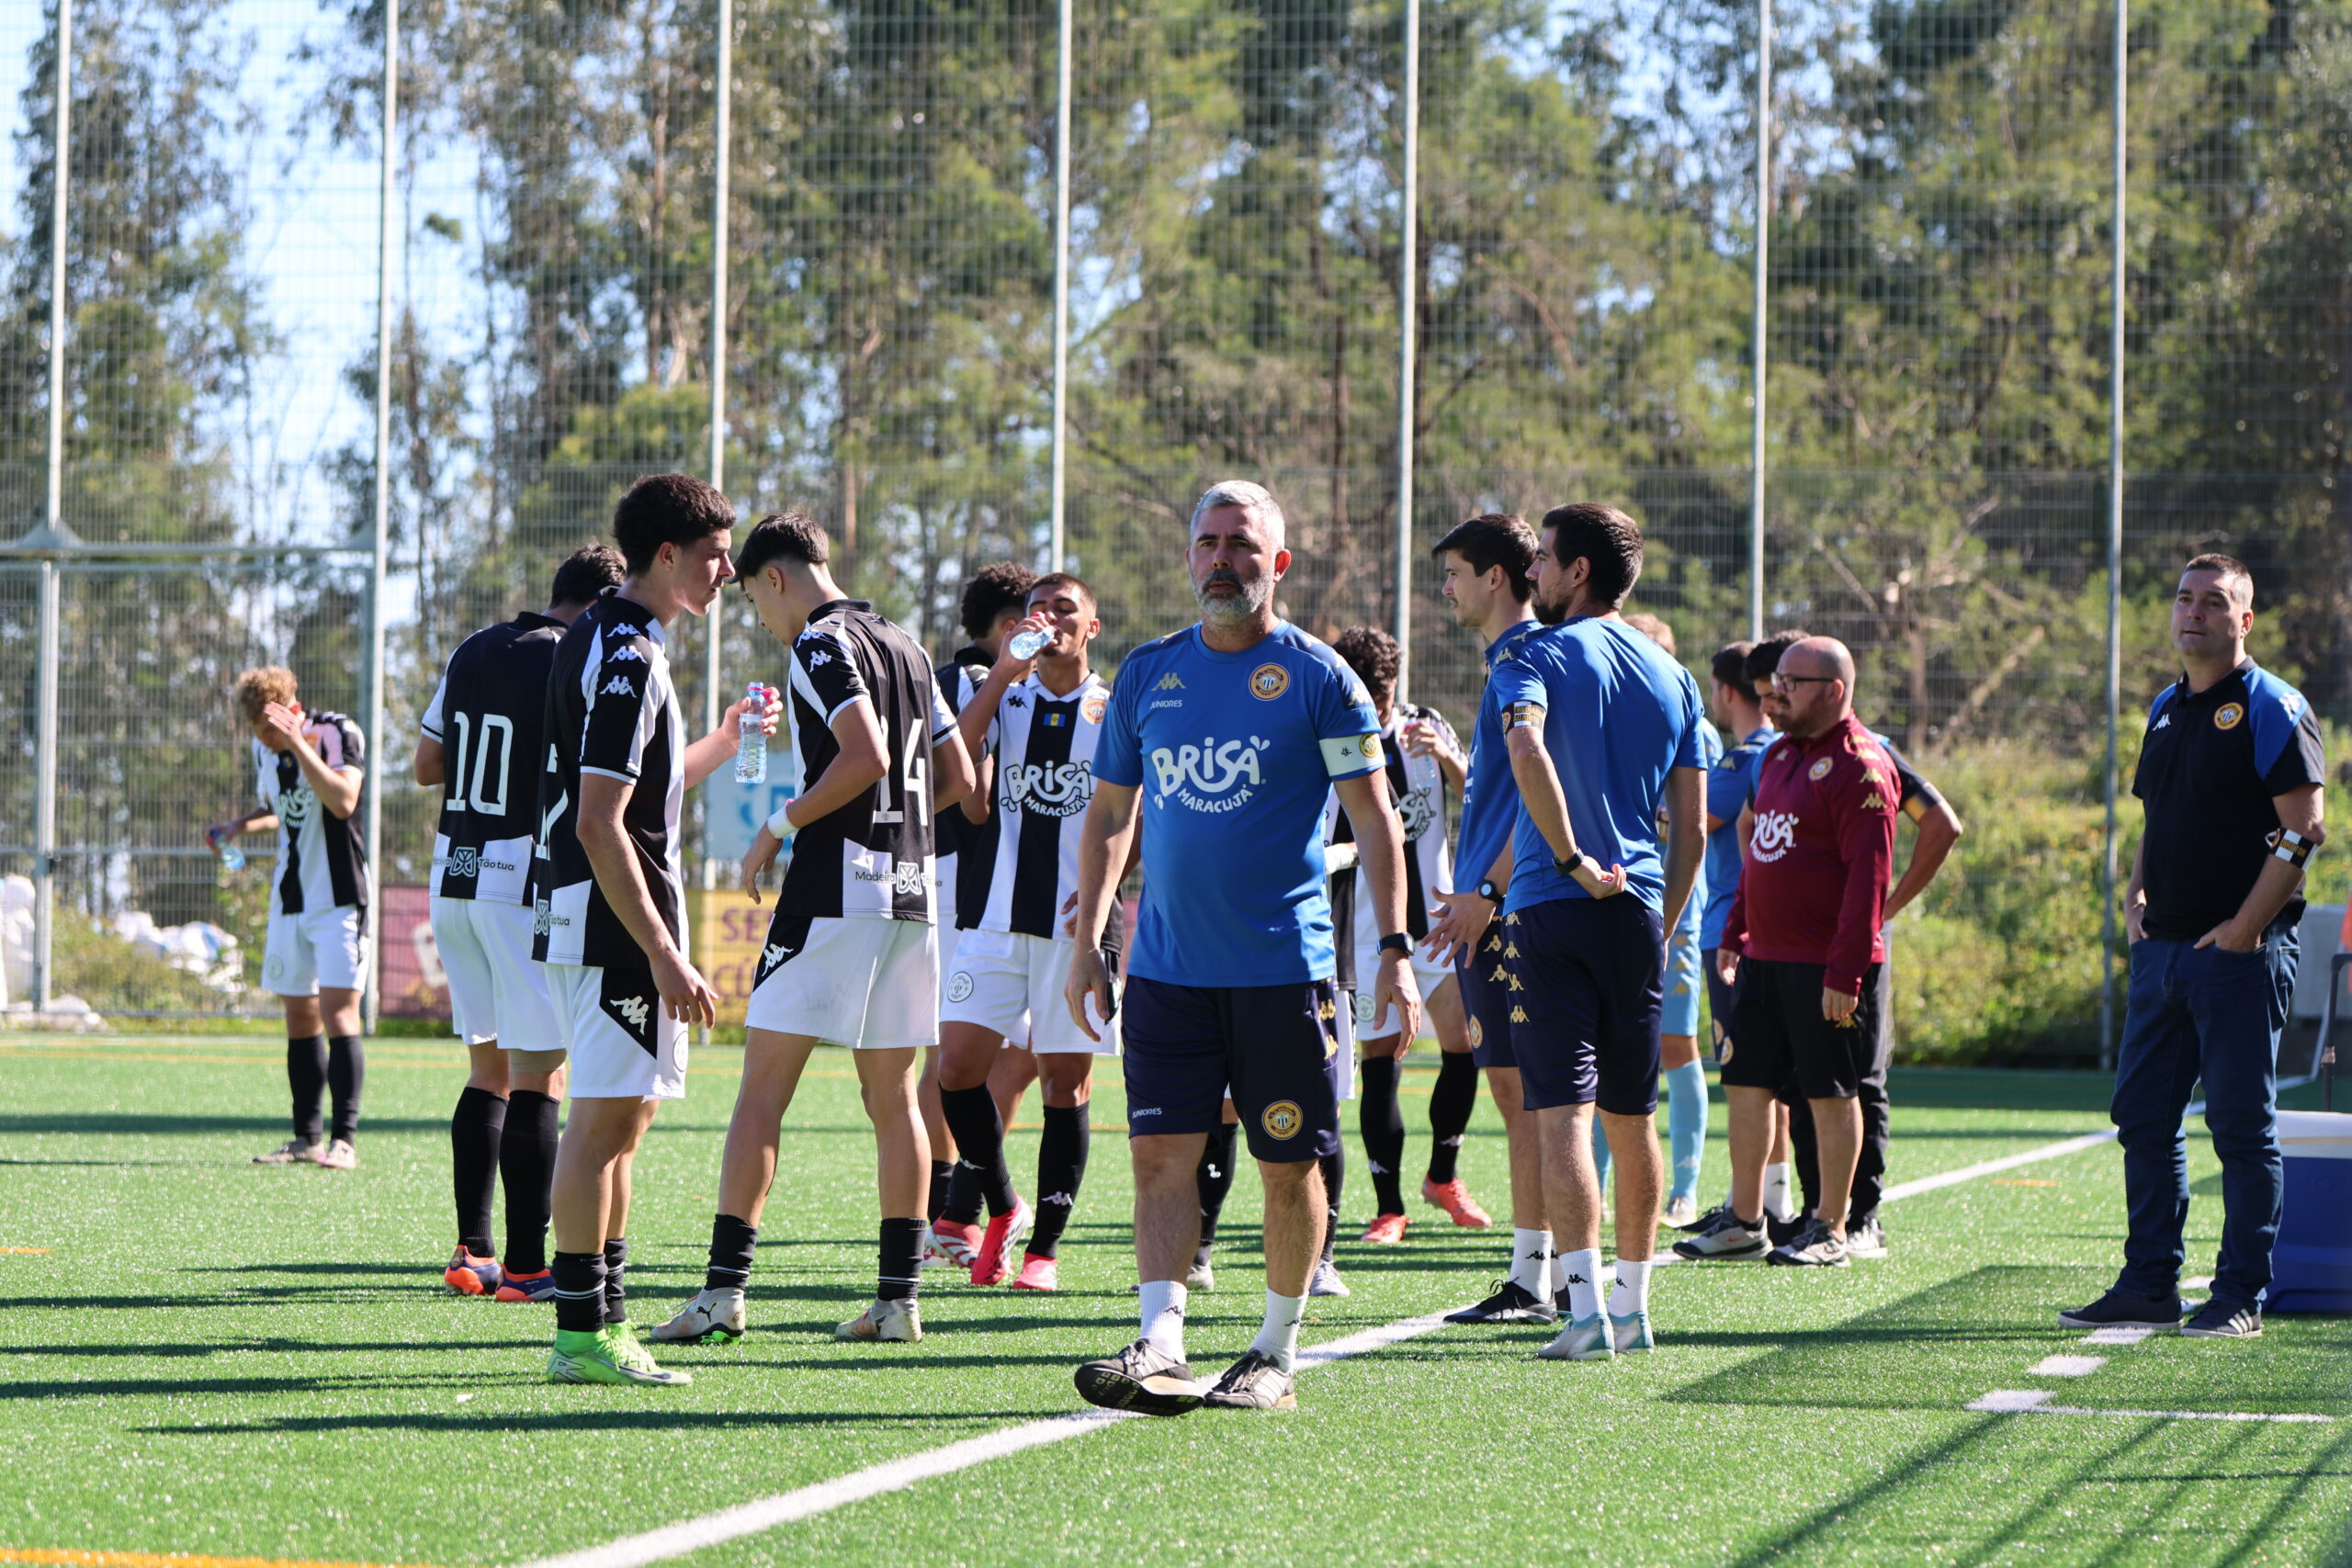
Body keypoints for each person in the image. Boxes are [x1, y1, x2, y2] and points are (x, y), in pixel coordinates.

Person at [1065, 479, 1418, 1416]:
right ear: (1189, 556)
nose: (1221, 560)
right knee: (1159, 1158)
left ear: (1278, 563)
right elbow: (1111, 814)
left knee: (1286, 1166)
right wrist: (1090, 937)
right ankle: (1161, 1340)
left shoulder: (1321, 679)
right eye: (1208, 543)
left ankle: (1274, 1353)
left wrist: (1395, 948)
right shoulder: (1147, 674)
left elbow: (1375, 821)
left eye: (1241, 545)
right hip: (1166, 973)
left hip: (1284, 973)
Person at [654, 513, 973, 1349]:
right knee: (894, 1097)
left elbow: (866, 755)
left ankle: (723, 1292)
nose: (763, 620)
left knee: (762, 1091)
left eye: (756, 602)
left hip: (834, 892)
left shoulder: (820, 643)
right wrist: (898, 827)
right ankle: (898, 1301)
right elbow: (960, 779)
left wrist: (781, 825)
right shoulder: (908, 645)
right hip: (911, 893)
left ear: (776, 578)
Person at [533, 472, 771, 1387]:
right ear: (667, 554)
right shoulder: (630, 653)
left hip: (595, 917)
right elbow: (600, 821)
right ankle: (580, 1334)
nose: (727, 573)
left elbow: (642, 793)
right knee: (600, 1128)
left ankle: (607, 1322)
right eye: (715, 555)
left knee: (619, 1124)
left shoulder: (599, 634)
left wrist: (723, 738)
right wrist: (664, 952)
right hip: (614, 930)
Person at [2062, 554, 2325, 1338]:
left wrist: (2244, 928)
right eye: (2184, 599)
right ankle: (2150, 1283)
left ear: (2245, 619)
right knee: (2143, 1117)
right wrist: (2135, 897)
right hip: (2163, 953)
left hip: (2241, 957)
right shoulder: (2165, 706)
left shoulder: (2275, 704)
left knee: (2241, 1127)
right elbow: (2159, 813)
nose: (2194, 612)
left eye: (2214, 601)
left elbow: (2304, 829)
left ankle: (2242, 1292)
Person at [1483, 503, 1705, 1361]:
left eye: (1543, 558)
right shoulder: (1672, 673)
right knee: (1632, 1114)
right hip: (1639, 911)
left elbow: (1527, 751)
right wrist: (1665, 916)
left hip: (1552, 904)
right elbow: (1691, 826)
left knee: (1562, 1116)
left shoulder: (1531, 654)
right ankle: (1634, 1307)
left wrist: (1572, 857)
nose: (1532, 571)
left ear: (1578, 571)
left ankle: (1583, 1315)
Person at [419, 544, 625, 1300]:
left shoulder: (474, 646)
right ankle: (530, 1266)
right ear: (600, 602)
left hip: (454, 869)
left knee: (489, 1070)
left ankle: (472, 1249)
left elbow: (425, 764)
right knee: (542, 1074)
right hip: (516, 878)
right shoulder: (571, 656)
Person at [933, 572, 1120, 1292]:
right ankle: (1003, 1204)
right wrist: (1001, 674)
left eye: (1065, 609)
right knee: (956, 1067)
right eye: (1038, 609)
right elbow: (963, 792)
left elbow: (1131, 817)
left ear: (1091, 627)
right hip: (993, 918)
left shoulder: (1112, 709)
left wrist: (1100, 901)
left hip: (1076, 927)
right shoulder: (1005, 698)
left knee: (1064, 1084)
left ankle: (1043, 1250)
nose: (1049, 619)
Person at [1690, 637, 1898, 1270]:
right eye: (1775, 680)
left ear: (1833, 691)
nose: (1774, 692)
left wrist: (1846, 970)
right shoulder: (1777, 755)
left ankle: (1831, 1225)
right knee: (1746, 1083)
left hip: (1824, 965)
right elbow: (1759, 853)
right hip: (1764, 958)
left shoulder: (1862, 765)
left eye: (1790, 682)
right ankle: (1744, 1219)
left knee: (1830, 1092)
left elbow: (1869, 878)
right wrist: (1736, 931)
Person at [1422, 513, 1561, 1325]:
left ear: (1496, 577)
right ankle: (1543, 1272)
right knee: (1517, 1094)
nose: (1447, 588)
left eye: (1455, 573)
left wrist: (1488, 889)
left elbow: (1543, 786)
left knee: (1530, 1097)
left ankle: (1542, 1277)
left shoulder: (1525, 657)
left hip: (1509, 910)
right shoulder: (1509, 659)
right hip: (1494, 906)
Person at [1324, 626, 1489, 1245]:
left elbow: (1485, 798)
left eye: (1386, 692)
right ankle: (1388, 1207)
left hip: (1440, 923)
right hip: (1371, 931)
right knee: (1381, 1060)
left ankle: (1442, 1175)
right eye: (1367, 693)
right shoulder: (1334, 738)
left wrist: (1448, 758)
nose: (1379, 704)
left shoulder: (1428, 726)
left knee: (1464, 1046)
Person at [926, 561, 1038, 1263]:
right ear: (1009, 627)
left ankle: (957, 1208)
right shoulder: (976, 681)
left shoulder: (947, 676)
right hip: (964, 886)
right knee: (961, 1054)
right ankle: (946, 1209)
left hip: (959, 884)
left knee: (1005, 1053)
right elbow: (976, 798)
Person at [214, 667, 370, 1172]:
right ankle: (306, 1137)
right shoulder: (264, 750)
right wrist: (239, 826)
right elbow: (282, 808)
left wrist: (298, 744)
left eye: (270, 728)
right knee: (299, 1016)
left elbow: (342, 801)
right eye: (256, 731)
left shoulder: (337, 732)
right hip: (291, 898)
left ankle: (344, 1141)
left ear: (292, 707)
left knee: (339, 1014)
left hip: (339, 898)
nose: (265, 739)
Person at [1589, 612, 1715, 1229]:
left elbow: (1696, 828)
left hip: (1673, 913)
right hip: (1606, 909)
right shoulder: (1601, 719)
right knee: (1597, 1048)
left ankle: (1683, 1189)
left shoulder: (1692, 724)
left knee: (1674, 1043)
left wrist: (1670, 920)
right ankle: (1593, 1190)